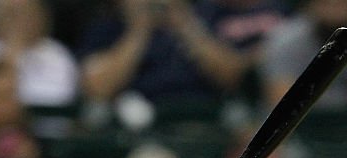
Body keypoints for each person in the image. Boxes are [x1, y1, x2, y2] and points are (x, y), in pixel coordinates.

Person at [77, 0, 251, 104]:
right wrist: (140, 29)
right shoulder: (107, 29)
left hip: (202, 122)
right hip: (135, 129)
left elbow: (232, 76)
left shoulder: (205, 17)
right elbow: (98, 90)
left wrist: (186, 25)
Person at [0, 0, 79, 107]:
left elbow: (61, 97)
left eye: (26, 14)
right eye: (12, 14)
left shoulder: (56, 54)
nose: (20, 21)